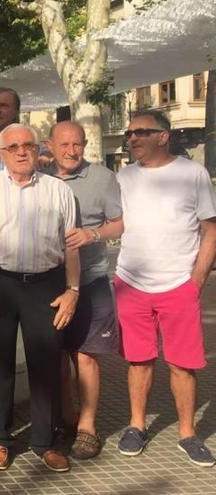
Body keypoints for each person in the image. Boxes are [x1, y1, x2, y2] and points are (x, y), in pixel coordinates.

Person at [0, 123, 79, 473]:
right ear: (2, 151)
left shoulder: (58, 191)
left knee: (46, 363)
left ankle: (45, 442)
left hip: (47, 285)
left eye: (27, 145)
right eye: (13, 147)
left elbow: (71, 247)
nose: (21, 152)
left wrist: (73, 291)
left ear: (38, 149)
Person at [113, 109, 216, 467]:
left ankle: (188, 434)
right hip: (131, 283)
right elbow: (117, 224)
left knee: (183, 365)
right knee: (138, 360)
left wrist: (197, 281)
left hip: (178, 286)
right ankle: (136, 426)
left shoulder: (193, 173)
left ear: (163, 136)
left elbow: (210, 230)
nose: (133, 139)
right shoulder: (124, 177)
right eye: (130, 133)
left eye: (141, 132)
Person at [42, 121, 123, 460]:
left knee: (85, 355)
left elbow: (120, 222)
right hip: (47, 283)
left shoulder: (102, 177)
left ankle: (88, 427)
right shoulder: (40, 176)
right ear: (51, 145)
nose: (72, 151)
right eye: (64, 144)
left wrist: (92, 235)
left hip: (90, 280)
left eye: (77, 144)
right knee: (56, 356)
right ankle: (65, 418)